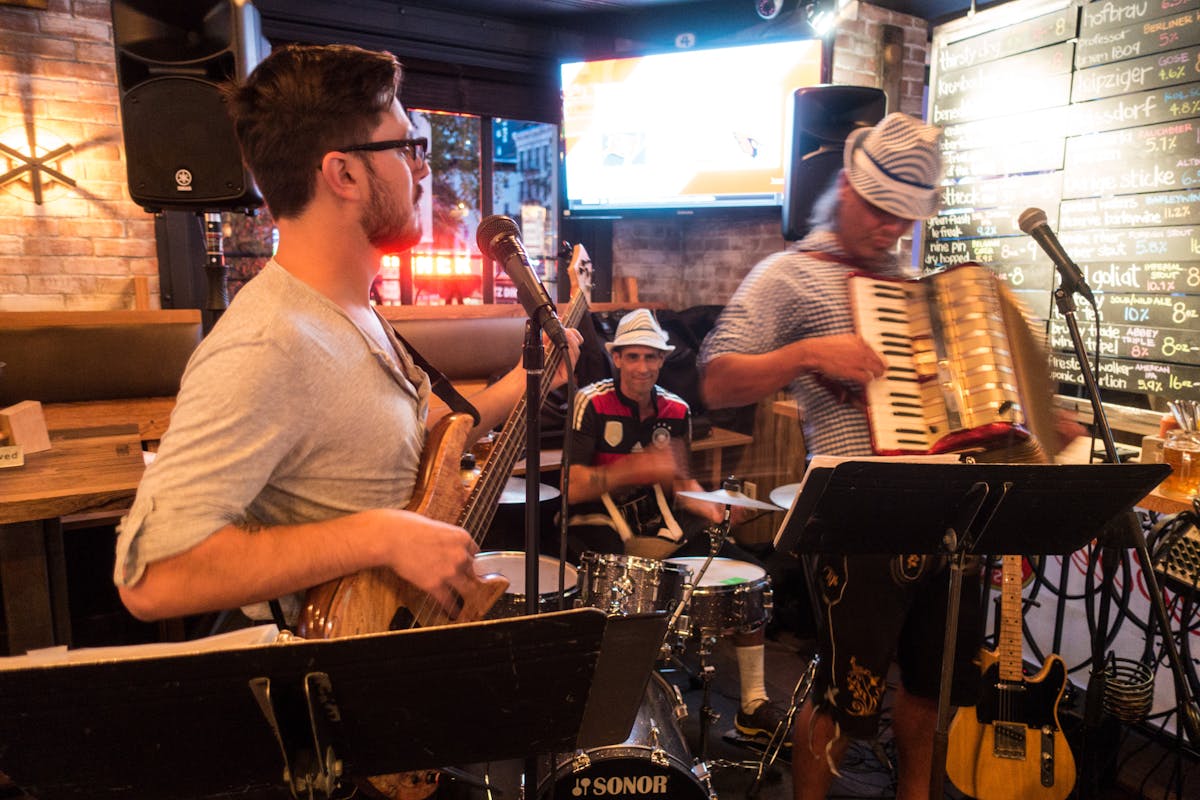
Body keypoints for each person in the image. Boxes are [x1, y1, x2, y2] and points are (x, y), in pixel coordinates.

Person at [113, 43, 580, 626]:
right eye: (409, 147)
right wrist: (378, 536)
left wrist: (532, 380)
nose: (424, 169)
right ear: (344, 173)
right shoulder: (267, 343)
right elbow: (153, 577)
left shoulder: (354, 310)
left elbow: (430, 435)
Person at [698, 113, 980, 800]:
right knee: (840, 696)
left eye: (905, 218)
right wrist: (806, 353)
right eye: (883, 210)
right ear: (849, 188)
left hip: (942, 511)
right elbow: (714, 378)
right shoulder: (788, 275)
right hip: (854, 516)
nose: (892, 229)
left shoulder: (917, 294)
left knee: (926, 687)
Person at [564, 308, 788, 741]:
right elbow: (571, 486)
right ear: (617, 358)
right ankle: (613, 709)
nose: (642, 367)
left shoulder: (676, 409)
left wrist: (713, 507)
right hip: (597, 520)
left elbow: (683, 482)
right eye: (632, 357)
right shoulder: (590, 402)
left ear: (663, 360)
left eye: (651, 357)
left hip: (662, 523)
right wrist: (636, 468)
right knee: (617, 592)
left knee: (747, 578)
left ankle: (753, 704)